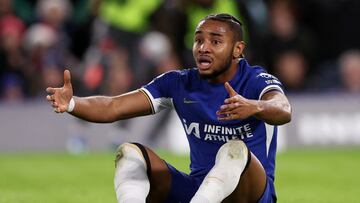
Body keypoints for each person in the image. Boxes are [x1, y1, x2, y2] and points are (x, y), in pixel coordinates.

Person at [46, 13, 291, 203]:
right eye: (198, 40)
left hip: (252, 195)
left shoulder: (255, 80)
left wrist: (255, 106)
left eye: (215, 41)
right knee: (130, 154)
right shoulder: (178, 83)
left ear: (238, 49)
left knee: (234, 150)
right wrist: (73, 103)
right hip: (199, 192)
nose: (203, 47)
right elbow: (114, 106)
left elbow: (282, 108)